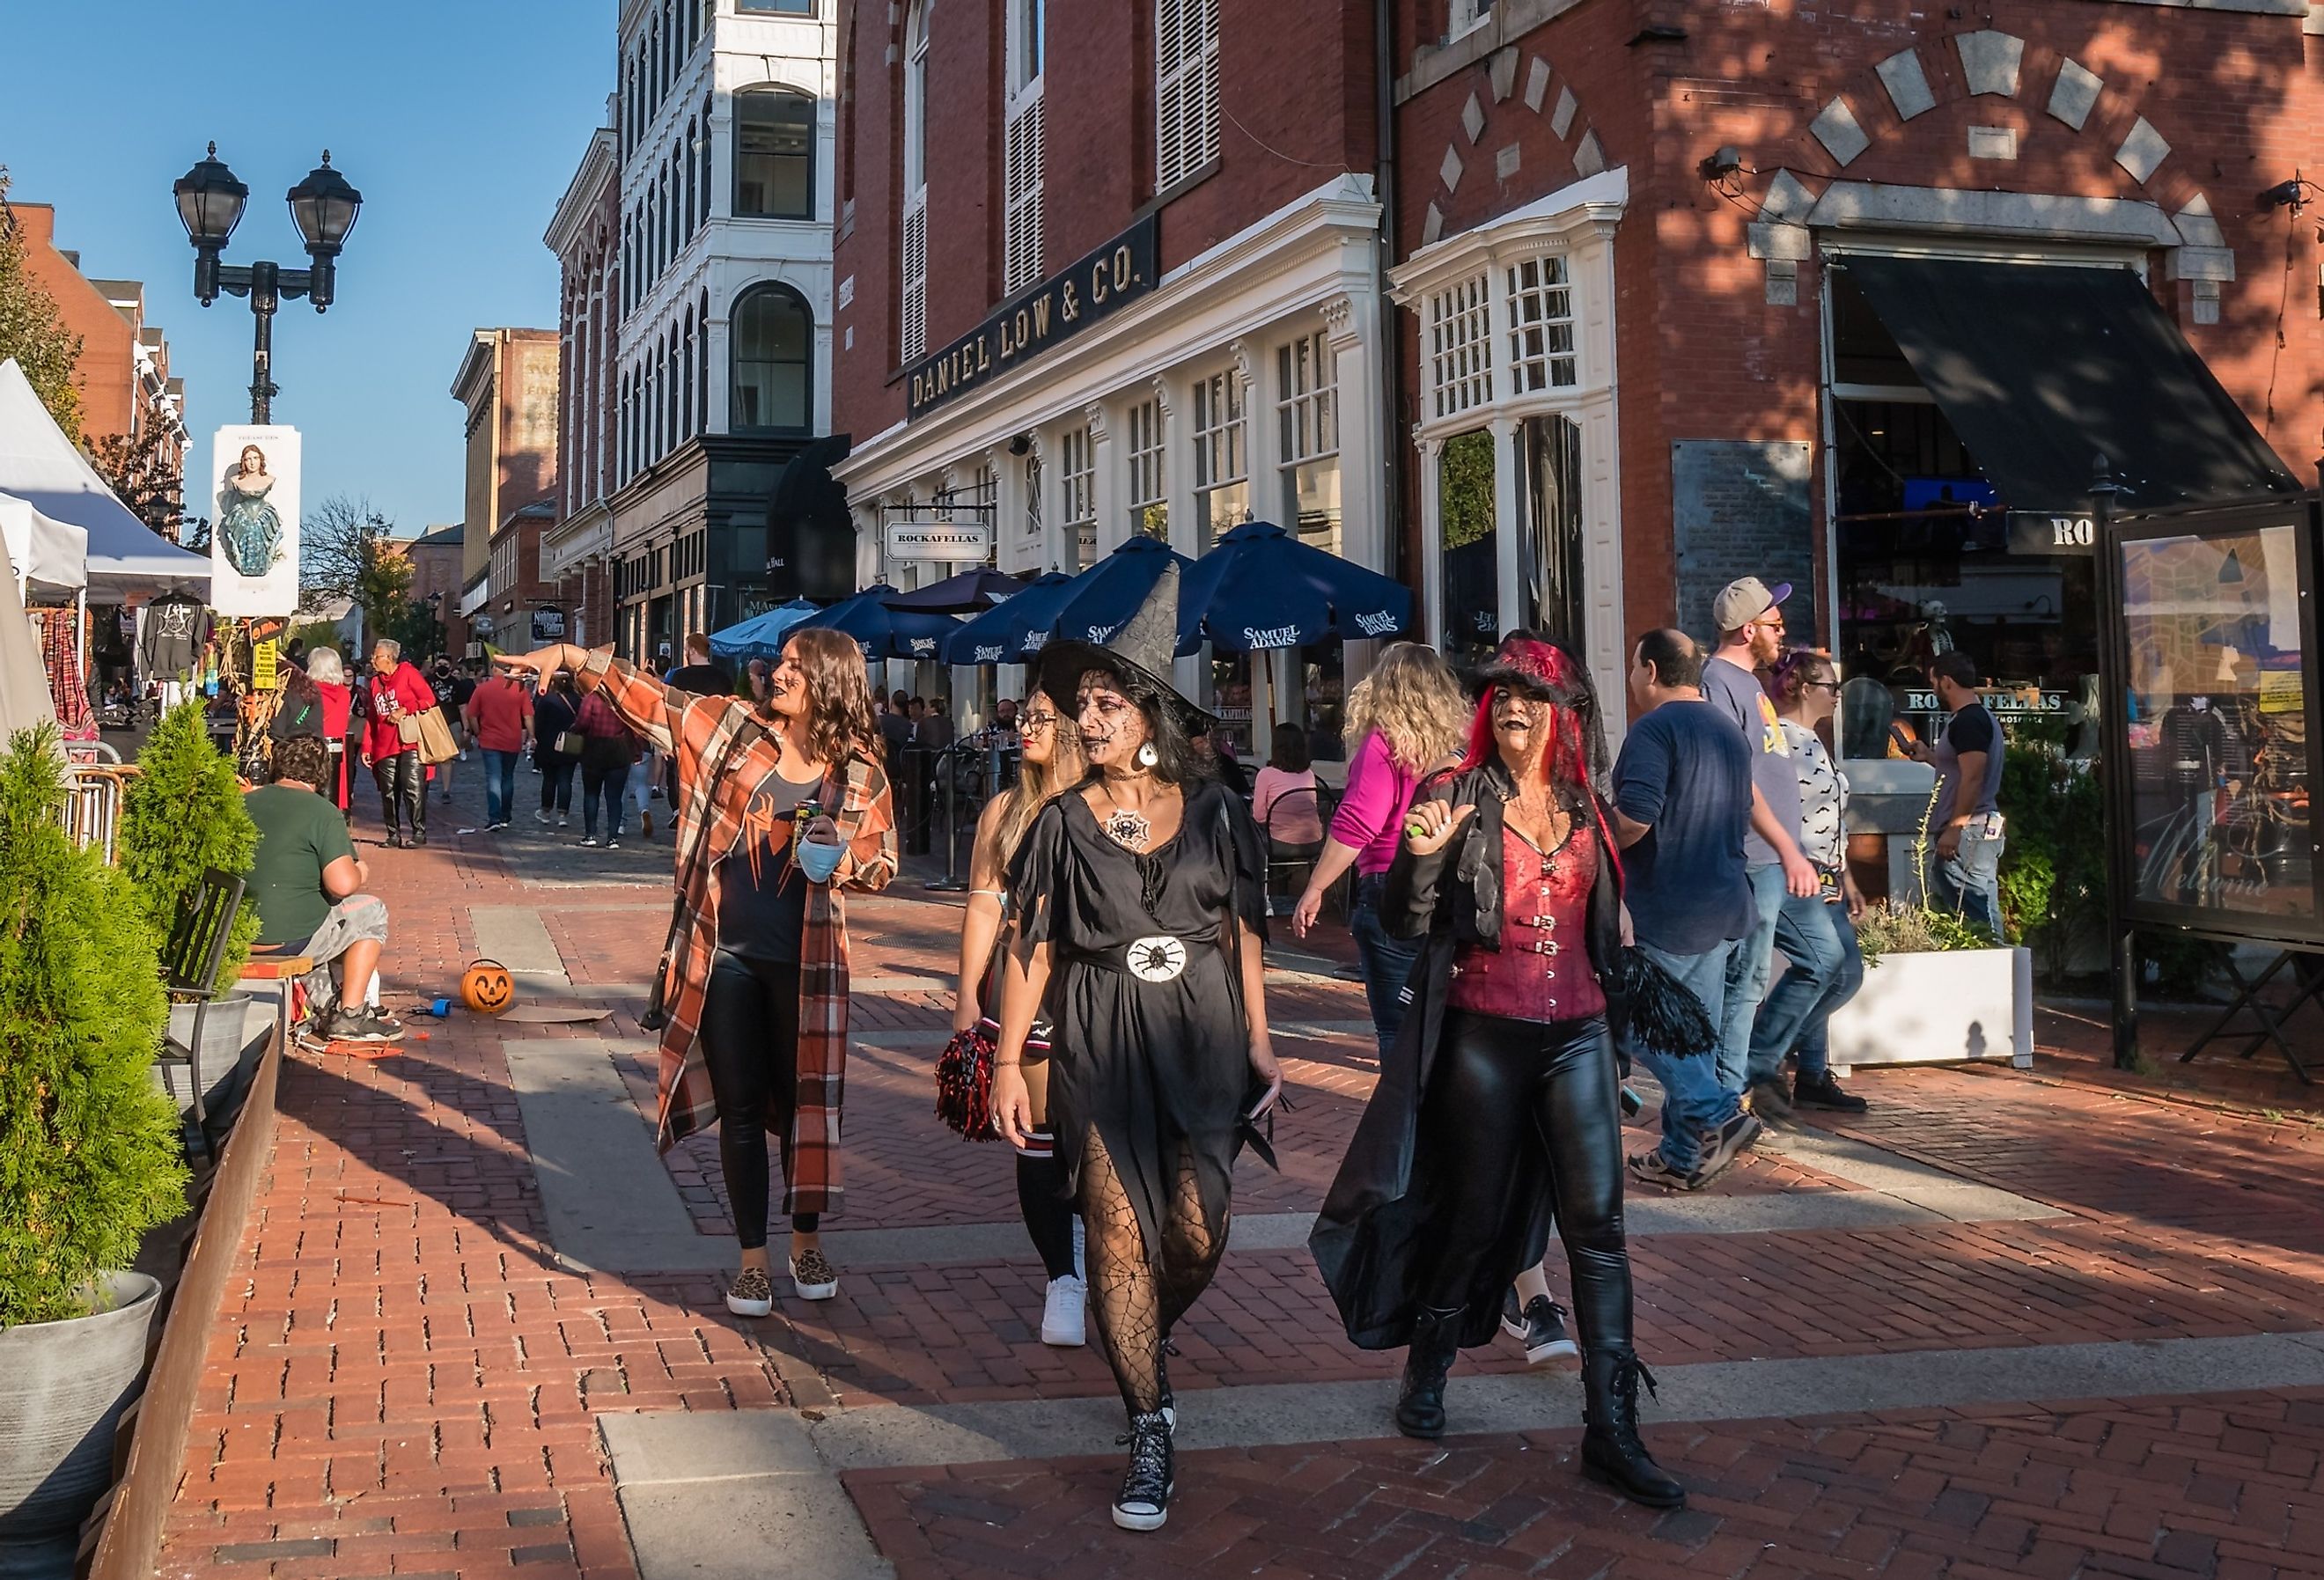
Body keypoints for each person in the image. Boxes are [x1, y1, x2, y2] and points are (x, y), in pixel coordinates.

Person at [1311, 632, 1684, 1510]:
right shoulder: (1452, 793)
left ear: (1565, 715)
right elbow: (1403, 921)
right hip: (1484, 1033)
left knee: (1597, 1229)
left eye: (1530, 694)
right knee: (1475, 1218)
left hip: (1578, 1035)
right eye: (1501, 693)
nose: (1512, 706)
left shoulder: (1583, 804)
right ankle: (1429, 1366)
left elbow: (1605, 923)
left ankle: (1612, 1430)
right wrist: (1423, 853)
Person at [991, 565, 1279, 1532]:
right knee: (1115, 1231)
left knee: (1199, 1232)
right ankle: (1149, 1424)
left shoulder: (1215, 814)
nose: (1088, 719)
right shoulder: (1064, 822)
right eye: (1082, 706)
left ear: (1151, 714)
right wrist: (1001, 1062)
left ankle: (1140, 1337)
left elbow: (1242, 930)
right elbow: (1030, 940)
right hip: (1099, 1039)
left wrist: (1264, 1044)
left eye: (1107, 703)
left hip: (1201, 1037)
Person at [506, 629, 897, 1312]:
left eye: (796, 669)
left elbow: (882, 862)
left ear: (829, 683)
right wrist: (570, 659)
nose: (778, 674)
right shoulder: (735, 728)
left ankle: (803, 1239)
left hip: (807, 965)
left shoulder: (858, 771)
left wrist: (843, 857)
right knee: (742, 1109)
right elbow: (654, 701)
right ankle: (752, 1260)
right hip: (723, 954)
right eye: (781, 662)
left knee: (806, 1103)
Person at [952, 686, 1091, 1346]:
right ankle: (1063, 1275)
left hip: (1100, 989)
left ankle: (1119, 1270)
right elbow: (984, 902)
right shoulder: (1006, 810)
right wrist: (966, 996)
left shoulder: (1106, 802)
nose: (1022, 724)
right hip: (1026, 988)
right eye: (1024, 713)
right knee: (1037, 1134)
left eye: (1040, 715)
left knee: (1102, 1139)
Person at [1609, 630, 1763, 1190]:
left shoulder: (1655, 728)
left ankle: (1717, 1112)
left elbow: (1635, 817)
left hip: (1667, 907)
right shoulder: (1728, 729)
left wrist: (1590, 850)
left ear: (1651, 670)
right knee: (1691, 1034)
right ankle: (1680, 1155)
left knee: (1649, 1028)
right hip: (1724, 903)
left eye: (1632, 667)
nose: (1631, 680)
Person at [1291, 643, 1469, 1053]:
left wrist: (1315, 887)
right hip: (1448, 889)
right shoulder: (1462, 747)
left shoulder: (1385, 744)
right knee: (1444, 1025)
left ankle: (1406, 1114)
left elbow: (1359, 823)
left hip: (1392, 886)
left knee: (1398, 1030)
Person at [1698, 577, 1825, 1115]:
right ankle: (1728, 1096)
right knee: (1743, 980)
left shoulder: (1750, 682)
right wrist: (1788, 849)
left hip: (1778, 859)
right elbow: (1737, 778)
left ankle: (1746, 1075)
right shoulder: (1719, 682)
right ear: (1748, 630)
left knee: (1827, 960)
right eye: (1775, 624)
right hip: (1755, 857)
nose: (1783, 633)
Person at [1748, 650, 1870, 1113]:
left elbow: (1829, 817)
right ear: (1801, 686)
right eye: (1830, 687)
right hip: (1795, 872)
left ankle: (1810, 1074)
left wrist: (1848, 875)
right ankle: (1762, 1056)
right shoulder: (1776, 740)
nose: (1837, 695)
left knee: (1840, 972)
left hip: (1827, 873)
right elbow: (1774, 810)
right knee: (1830, 969)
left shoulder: (1815, 742)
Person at [242, 733, 403, 1045]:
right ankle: (352, 1014)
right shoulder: (322, 812)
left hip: (234, 934)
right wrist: (360, 871)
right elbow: (341, 885)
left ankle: (327, 1003)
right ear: (321, 773)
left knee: (320, 915)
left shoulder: (245, 802)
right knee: (369, 912)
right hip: (288, 939)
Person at [1909, 649, 2006, 937]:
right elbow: (1962, 767)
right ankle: (2001, 974)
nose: (1933, 687)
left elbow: (1973, 777)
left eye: (1933, 681)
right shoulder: (1976, 718)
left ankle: (1990, 972)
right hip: (1979, 829)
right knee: (1984, 909)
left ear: (1947, 681)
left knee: (1974, 915)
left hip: (1969, 832)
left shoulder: (1968, 721)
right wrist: (1929, 756)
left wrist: (1954, 828)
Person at [360, 639, 437, 848]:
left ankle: (418, 832)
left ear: (389, 657)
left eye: (377, 656)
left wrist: (405, 709)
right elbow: (372, 717)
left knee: (412, 787)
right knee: (388, 791)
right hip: (384, 744)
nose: (373, 660)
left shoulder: (408, 673)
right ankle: (393, 834)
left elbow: (429, 699)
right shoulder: (375, 683)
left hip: (409, 740)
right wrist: (367, 746)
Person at [466, 659, 535, 831]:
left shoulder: (482, 689)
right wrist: (531, 736)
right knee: (507, 778)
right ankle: (505, 815)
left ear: (494, 669)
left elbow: (472, 714)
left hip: (489, 739)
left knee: (493, 778)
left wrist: (478, 732)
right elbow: (528, 716)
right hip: (512, 739)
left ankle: (494, 817)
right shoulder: (520, 690)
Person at [574, 683, 639, 847]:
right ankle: (612, 837)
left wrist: (574, 731)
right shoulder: (623, 700)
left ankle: (590, 835)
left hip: (594, 750)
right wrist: (637, 751)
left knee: (591, 794)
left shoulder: (592, 698)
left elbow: (582, 723)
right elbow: (634, 727)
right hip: (619, 750)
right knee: (614, 797)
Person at [302, 648, 356, 821]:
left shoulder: (310, 693)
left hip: (313, 748)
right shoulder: (343, 693)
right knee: (334, 792)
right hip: (337, 750)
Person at [1250, 721, 1325, 847]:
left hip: (1279, 843)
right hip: (1314, 841)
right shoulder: (1309, 774)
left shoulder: (1265, 774)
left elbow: (1259, 816)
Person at [533, 670, 581, 827]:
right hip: (570, 743)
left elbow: (538, 723)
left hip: (548, 744)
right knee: (566, 780)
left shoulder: (547, 700)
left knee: (549, 779)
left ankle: (546, 811)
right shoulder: (576, 699)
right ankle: (562, 814)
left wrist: (537, 740)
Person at [432, 657, 475, 805]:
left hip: (452, 723)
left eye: (445, 664)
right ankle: (423, 785)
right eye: (439, 664)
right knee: (427, 757)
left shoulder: (457, 685)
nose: (442, 666)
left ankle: (446, 790)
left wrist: (466, 728)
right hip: (431, 723)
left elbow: (463, 707)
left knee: (448, 758)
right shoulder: (427, 681)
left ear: (450, 667)